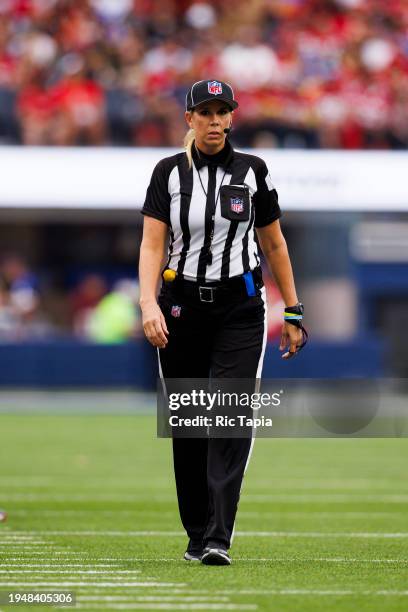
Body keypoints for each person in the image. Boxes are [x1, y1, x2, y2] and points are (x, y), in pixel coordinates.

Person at [139, 79, 307, 566]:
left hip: (239, 307)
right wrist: (148, 304)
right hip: (180, 306)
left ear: (232, 117)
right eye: (205, 112)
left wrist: (293, 310)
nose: (215, 121)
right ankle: (196, 532)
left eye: (222, 112)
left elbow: (274, 244)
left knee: (231, 416)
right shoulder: (168, 173)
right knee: (189, 423)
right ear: (188, 119)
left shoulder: (253, 172)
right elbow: (153, 243)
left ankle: (218, 535)